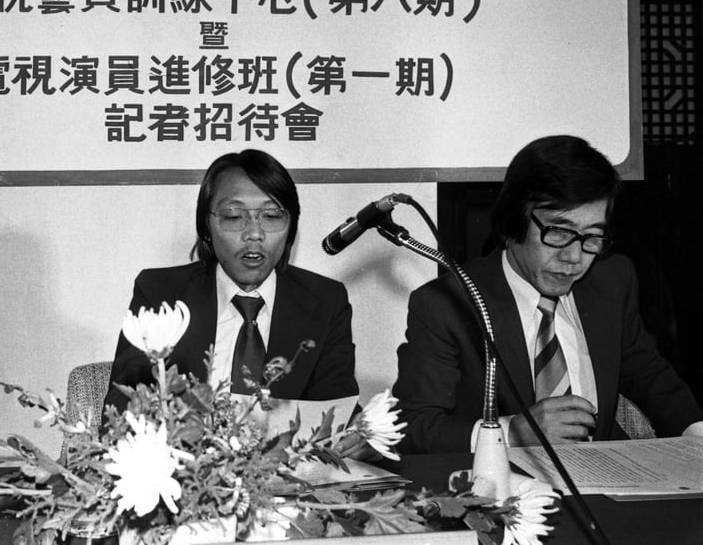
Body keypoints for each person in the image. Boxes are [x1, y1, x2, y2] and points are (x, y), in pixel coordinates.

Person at [393, 135, 703, 454]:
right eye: (558, 232)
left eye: (592, 237)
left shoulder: (611, 280)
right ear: (514, 222)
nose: (574, 257)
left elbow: (651, 378)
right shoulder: (448, 303)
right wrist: (511, 433)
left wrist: (697, 435)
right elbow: (413, 426)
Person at [104, 148, 359, 414]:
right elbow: (123, 402)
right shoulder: (161, 292)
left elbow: (335, 409)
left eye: (271, 216)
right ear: (206, 227)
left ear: (291, 227)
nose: (254, 233)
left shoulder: (325, 301)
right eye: (234, 217)